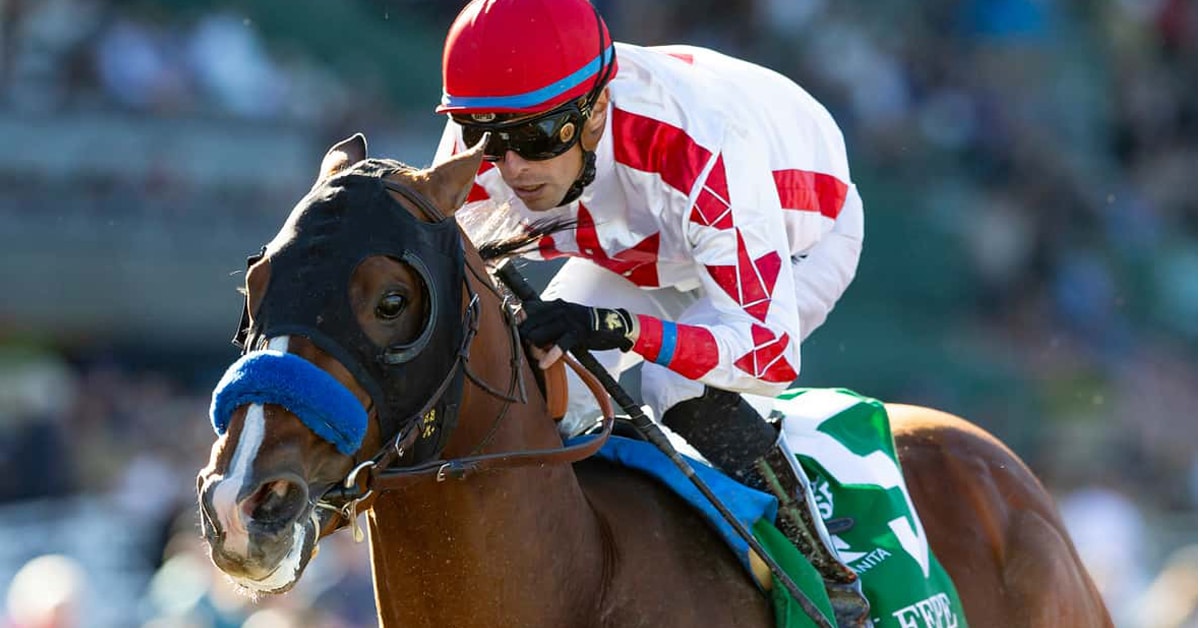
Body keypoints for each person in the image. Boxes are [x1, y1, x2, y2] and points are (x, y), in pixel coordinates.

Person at [432, 0, 867, 624]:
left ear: (596, 111)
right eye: (487, 139)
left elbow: (767, 354)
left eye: (535, 137)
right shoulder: (487, 137)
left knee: (675, 384)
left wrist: (623, 329)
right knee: (540, 386)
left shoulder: (701, 146)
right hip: (647, 249)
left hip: (800, 233)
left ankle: (829, 578)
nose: (511, 167)